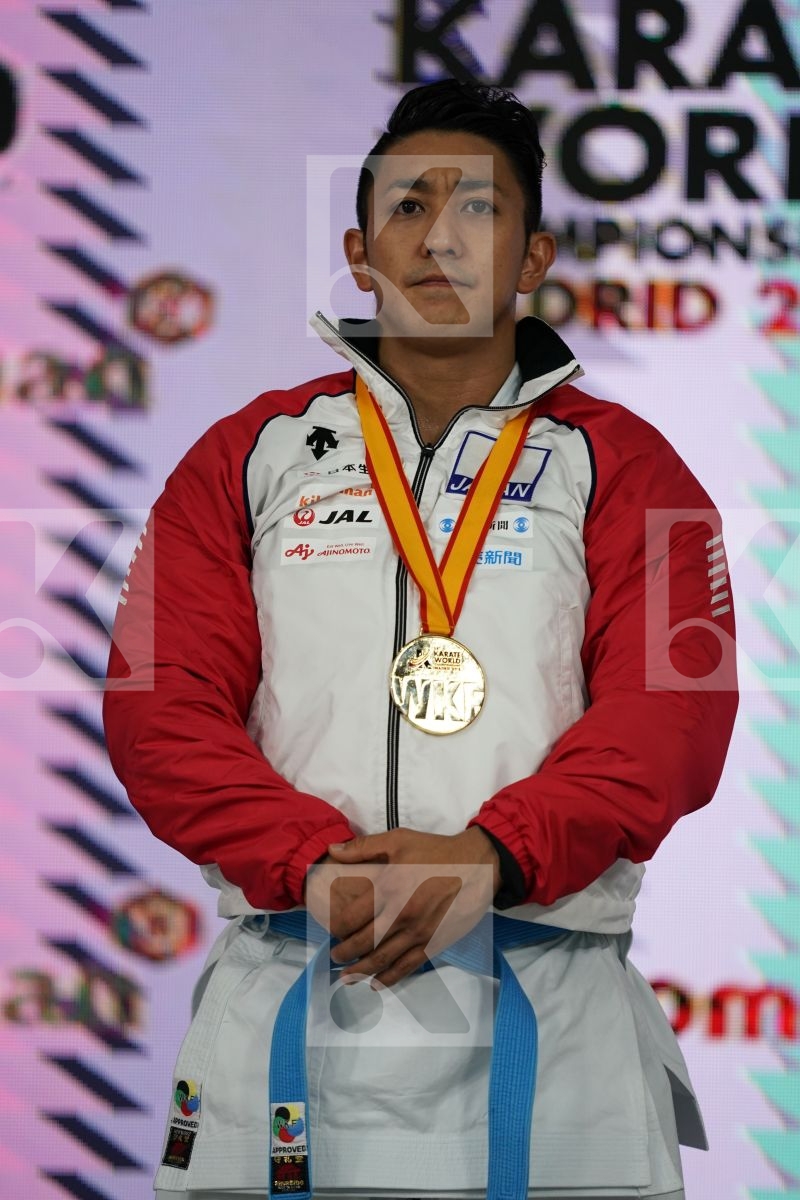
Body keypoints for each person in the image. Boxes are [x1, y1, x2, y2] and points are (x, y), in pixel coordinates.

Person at [103, 79, 738, 1200]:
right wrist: (308, 864)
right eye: (408, 207)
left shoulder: (631, 466)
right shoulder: (247, 454)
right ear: (358, 251)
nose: (439, 236)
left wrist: (490, 859)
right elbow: (161, 706)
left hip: (552, 1013)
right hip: (290, 985)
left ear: (534, 255)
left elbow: (669, 716)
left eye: (479, 210)